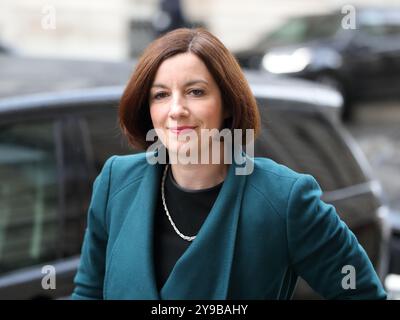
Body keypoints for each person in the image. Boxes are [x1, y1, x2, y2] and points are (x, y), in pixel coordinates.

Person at [72, 28, 387, 300]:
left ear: (227, 103)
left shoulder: (285, 198)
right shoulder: (116, 181)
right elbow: (87, 292)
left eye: (195, 92)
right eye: (161, 95)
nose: (176, 109)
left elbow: (361, 292)